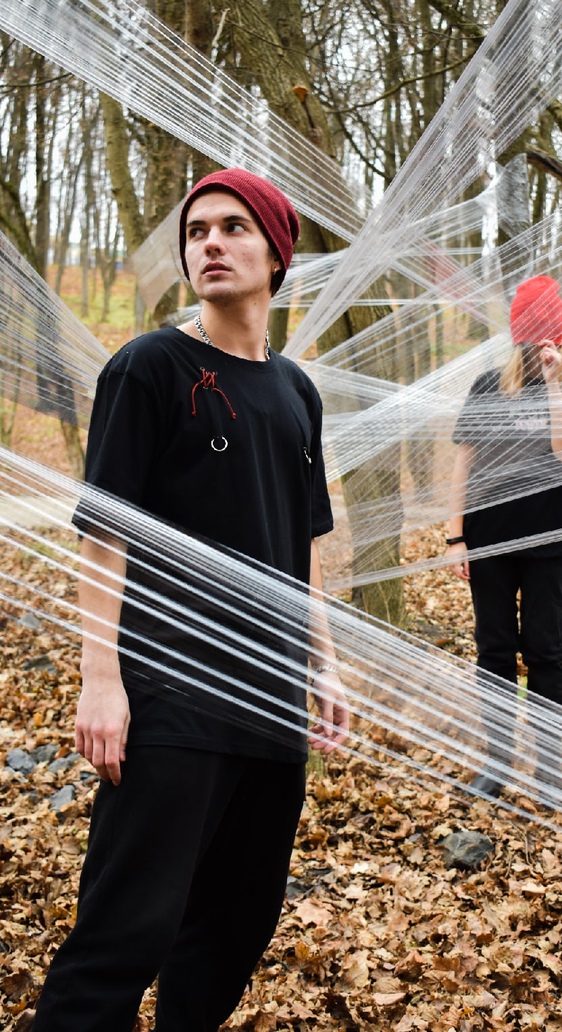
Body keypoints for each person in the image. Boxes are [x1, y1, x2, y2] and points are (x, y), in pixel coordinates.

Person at [32, 168, 349, 1032]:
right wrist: (102, 681)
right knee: (125, 932)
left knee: (231, 933)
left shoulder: (296, 391)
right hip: (172, 698)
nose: (210, 242)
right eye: (197, 230)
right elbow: (105, 534)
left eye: (233, 227)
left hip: (271, 705)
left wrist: (325, 665)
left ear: (276, 256)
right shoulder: (151, 368)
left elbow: (302, 545)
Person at [447, 274, 562, 797]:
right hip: (489, 539)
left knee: (544, 650)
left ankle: (549, 772)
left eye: (548, 336)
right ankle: (499, 762)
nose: (539, 347)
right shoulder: (488, 386)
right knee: (493, 649)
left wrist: (553, 384)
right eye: (532, 337)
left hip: (551, 541)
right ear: (517, 337)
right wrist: (455, 537)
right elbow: (463, 462)